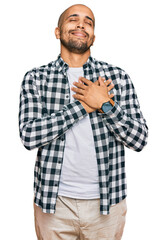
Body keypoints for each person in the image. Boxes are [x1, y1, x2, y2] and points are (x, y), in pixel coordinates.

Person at [19, 3, 148, 240]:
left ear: (93, 37)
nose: (81, 24)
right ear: (57, 32)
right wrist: (84, 106)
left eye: (88, 22)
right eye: (73, 19)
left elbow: (139, 139)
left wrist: (106, 106)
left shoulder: (117, 78)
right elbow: (29, 136)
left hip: (108, 203)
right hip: (52, 203)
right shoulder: (36, 78)